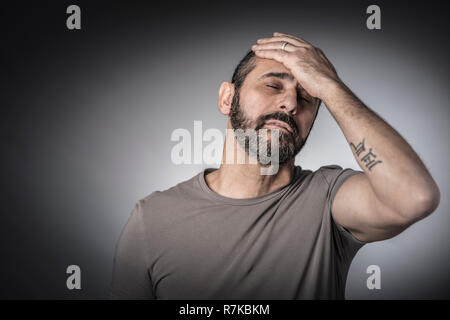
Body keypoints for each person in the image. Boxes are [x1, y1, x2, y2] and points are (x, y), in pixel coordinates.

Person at [109, 32, 440, 299]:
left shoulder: (328, 201)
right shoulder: (152, 218)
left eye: (309, 97)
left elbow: (414, 197)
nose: (291, 103)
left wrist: (331, 86)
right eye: (273, 85)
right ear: (227, 98)